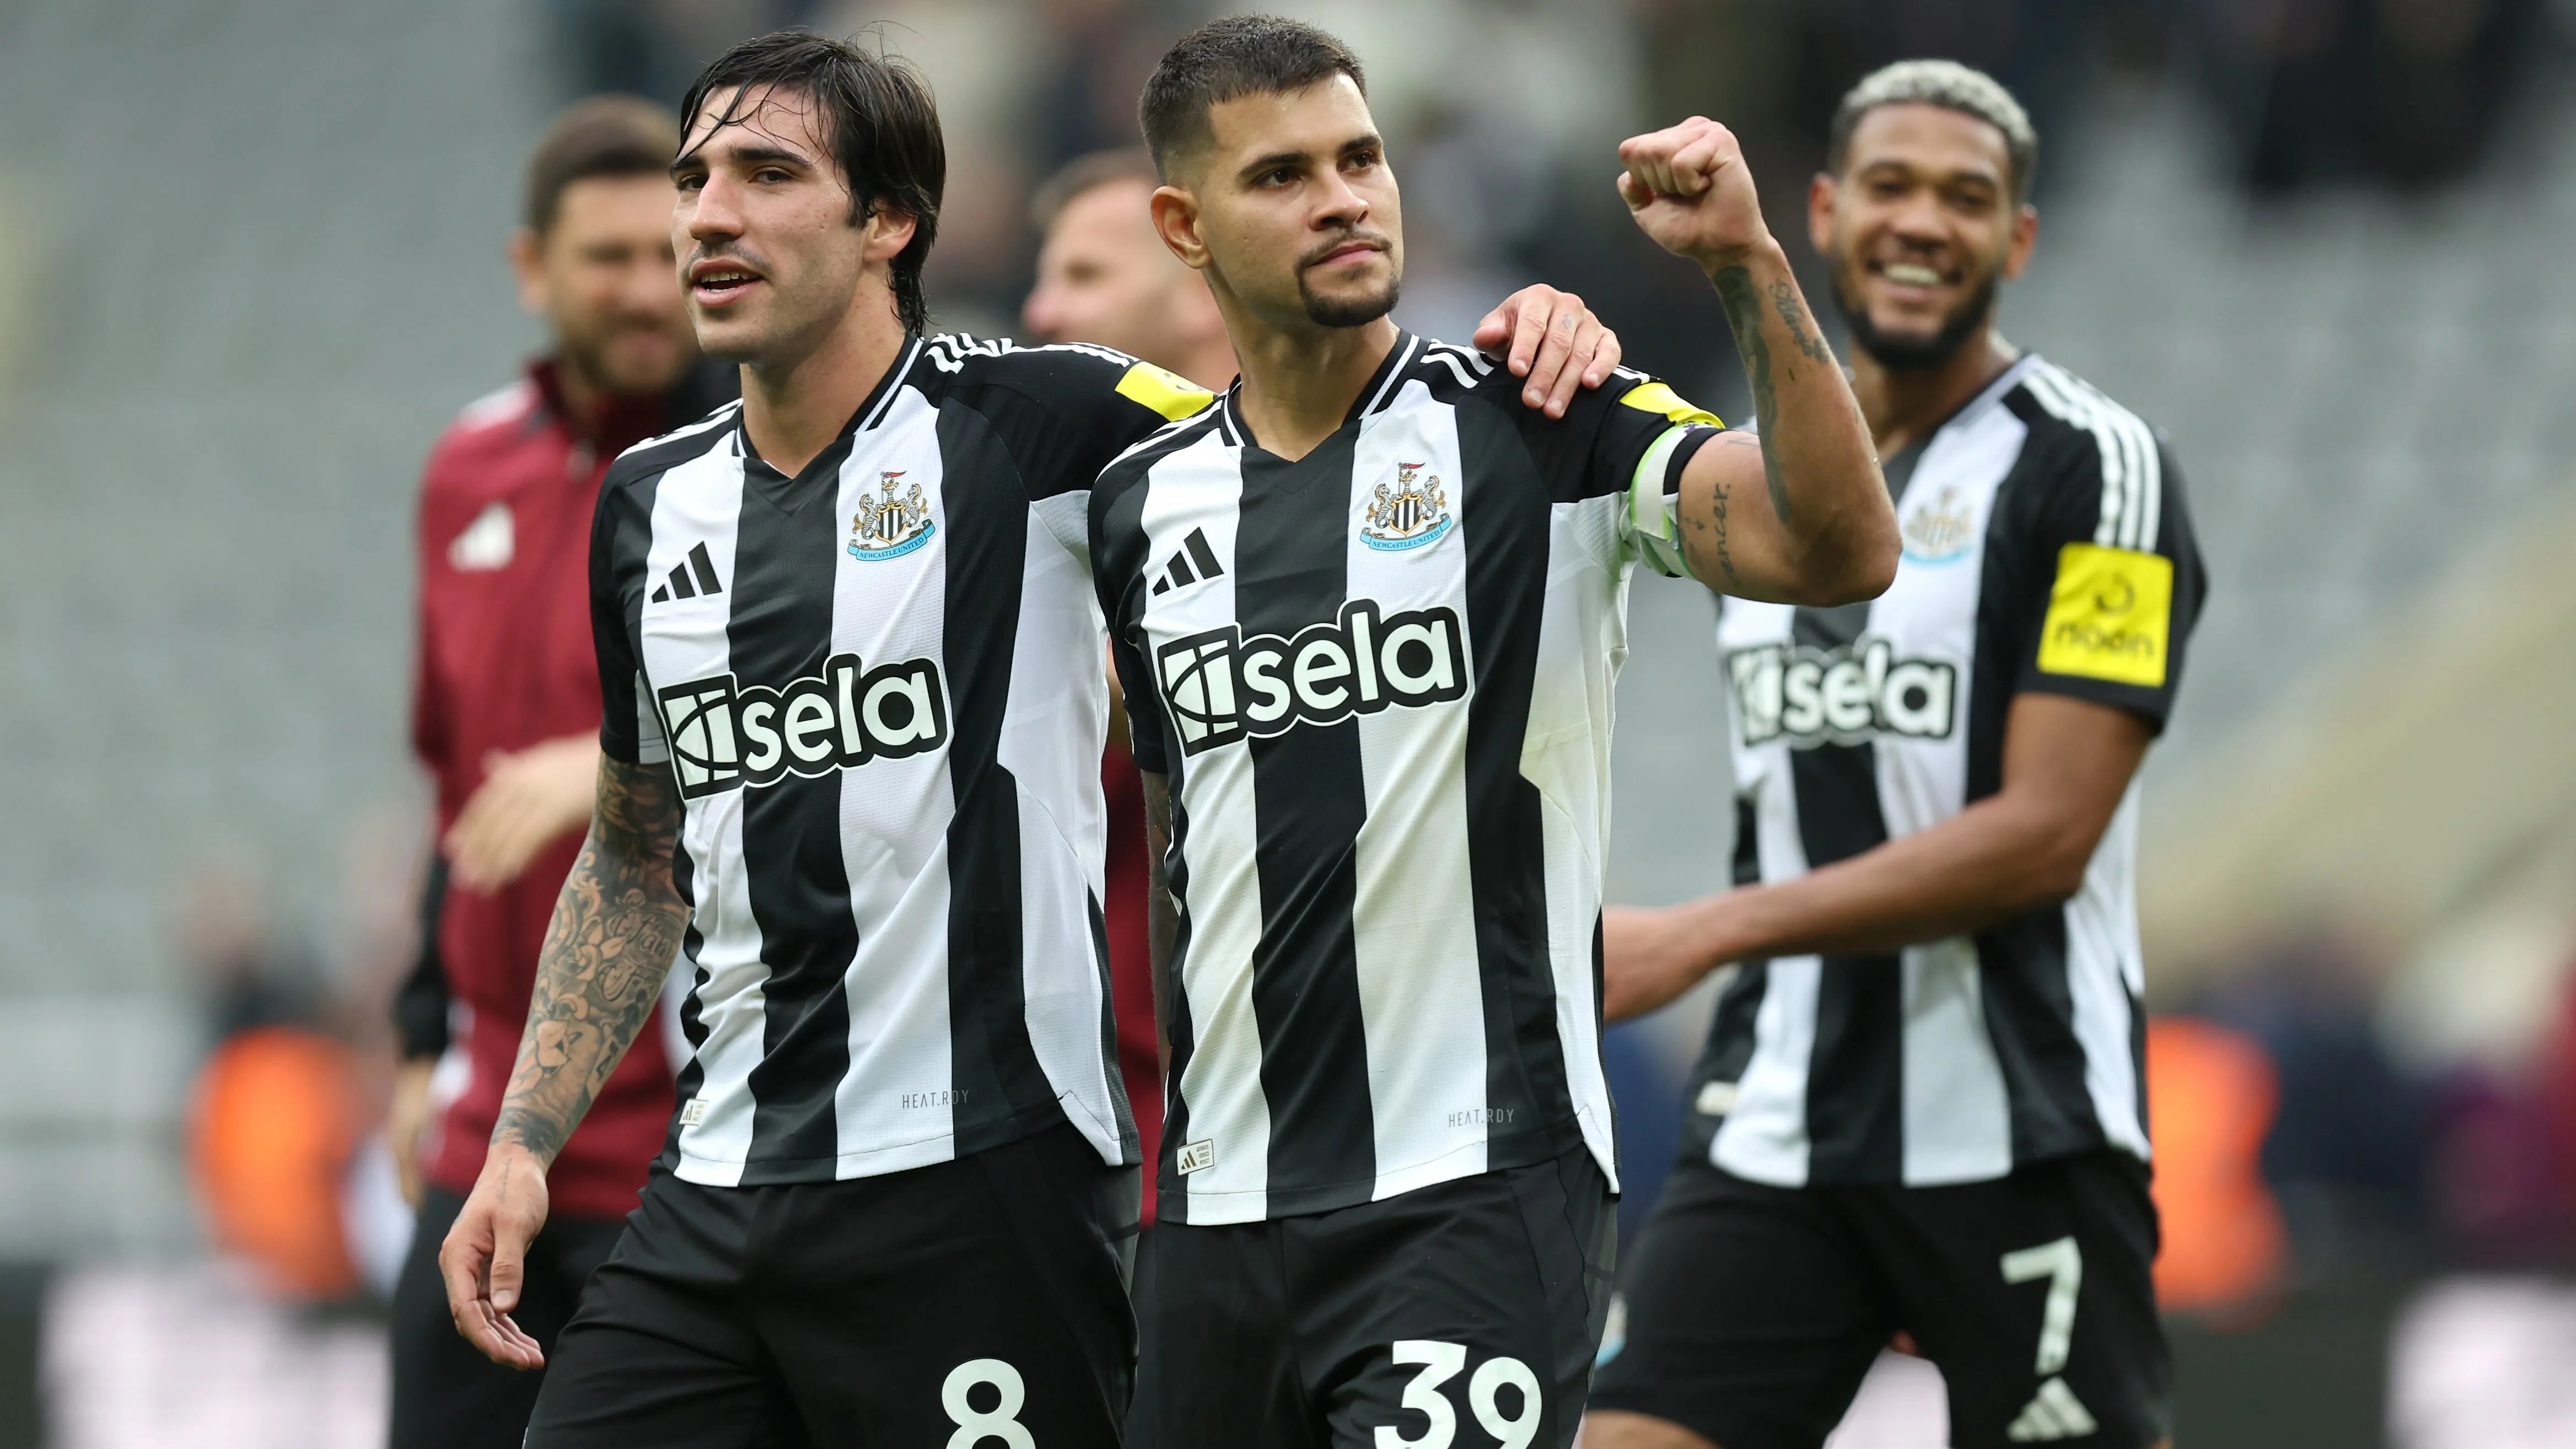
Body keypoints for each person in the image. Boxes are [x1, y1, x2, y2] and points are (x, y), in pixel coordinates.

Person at [435, 31, 1630, 1449]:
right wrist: (520, 1143)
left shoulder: (1041, 425)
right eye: (697, 179)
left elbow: (1315, 418)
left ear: (889, 221)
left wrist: (1545, 332)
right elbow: (637, 861)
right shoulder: (647, 506)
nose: (707, 214)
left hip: (981, 1189)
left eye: (764, 174)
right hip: (718, 1184)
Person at [1095, 18, 1897, 1449]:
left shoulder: (1538, 423)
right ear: (1185, 223)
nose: (1344, 196)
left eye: (1361, 157)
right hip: (1214, 1211)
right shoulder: (1136, 506)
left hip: (1474, 1190)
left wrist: (1745, 267)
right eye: (1283, 175)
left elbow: (1835, 547)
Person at [1583, 60, 2207, 1449]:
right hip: (1776, 1123)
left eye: (1965, 197)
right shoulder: (1755, 479)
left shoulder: (2097, 470)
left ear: (2018, 239)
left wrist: (1702, 933)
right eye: (1890, 186)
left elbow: (2048, 833)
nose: (1922, 221)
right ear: (1823, 209)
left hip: (2022, 1123)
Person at [390, 95, 731, 1449]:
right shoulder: (469, 467)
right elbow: (451, 784)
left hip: (688, 1146)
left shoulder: (759, 469)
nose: (648, 290)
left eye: (668, 253)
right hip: (492, 1146)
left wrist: (590, 773)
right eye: (608, 259)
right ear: (534, 269)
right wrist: (423, 1026)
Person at [1022, 147, 1238, 1235]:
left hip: (1260, 1127)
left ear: (1201, 287)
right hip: (1075, 1139)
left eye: (1084, 276)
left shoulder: (1328, 506)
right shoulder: (1031, 521)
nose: (1039, 307)